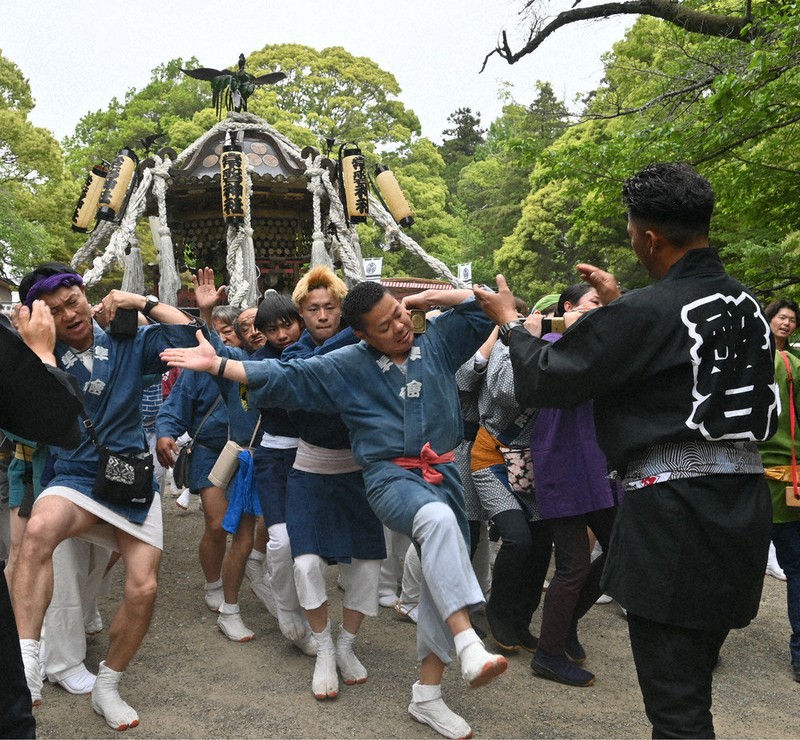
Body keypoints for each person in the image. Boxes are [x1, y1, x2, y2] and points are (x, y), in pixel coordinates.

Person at [474, 162, 779, 738]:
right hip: (739, 507)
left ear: (649, 237)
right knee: (692, 690)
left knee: (677, 710)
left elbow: (550, 378)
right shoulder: (747, 307)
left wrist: (511, 324)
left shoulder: (644, 312)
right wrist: (621, 305)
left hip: (674, 520)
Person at [161, 279, 508, 739]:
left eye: (401, 316)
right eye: (385, 326)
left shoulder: (435, 340)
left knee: (438, 575)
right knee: (341, 545)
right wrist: (221, 363)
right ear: (361, 334)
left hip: (443, 476)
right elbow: (287, 378)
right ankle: (459, 642)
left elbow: (483, 307)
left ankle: (429, 694)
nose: (401, 327)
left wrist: (428, 299)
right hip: (385, 476)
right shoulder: (347, 362)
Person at [12, 262, 202, 731]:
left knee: (143, 586)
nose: (69, 314)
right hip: (75, 476)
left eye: (72, 300)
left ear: (85, 292)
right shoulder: (33, 354)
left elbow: (194, 339)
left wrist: (140, 302)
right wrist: (36, 353)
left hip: (129, 478)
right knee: (38, 530)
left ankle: (108, 684)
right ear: (40, 316)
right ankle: (26, 665)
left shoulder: (126, 340)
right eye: (54, 311)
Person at [280, 266, 385, 701]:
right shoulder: (291, 355)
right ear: (301, 314)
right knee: (305, 563)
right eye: (313, 308)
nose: (323, 315)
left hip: (359, 471)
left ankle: (345, 644)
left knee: (366, 565)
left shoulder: (368, 351)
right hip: (309, 470)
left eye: (331, 307)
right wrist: (361, 331)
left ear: (341, 310)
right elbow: (311, 370)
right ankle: (322, 647)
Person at [527, 284, 618, 687]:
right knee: (573, 564)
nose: (601, 311)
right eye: (594, 303)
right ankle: (548, 654)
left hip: (598, 463)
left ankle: (566, 625)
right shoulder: (549, 344)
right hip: (561, 459)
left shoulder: (603, 346)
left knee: (622, 549)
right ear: (568, 308)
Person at [0, 298, 82, 739]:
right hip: (30, 474)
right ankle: (39, 655)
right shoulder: (21, 349)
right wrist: (38, 359)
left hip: (70, 477)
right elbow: (43, 421)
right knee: (26, 555)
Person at [759, 298, 800, 682]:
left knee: (738, 564)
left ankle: (707, 646)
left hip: (772, 472)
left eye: (791, 320)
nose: (786, 323)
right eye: (780, 317)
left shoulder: (789, 364)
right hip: (778, 473)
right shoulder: (781, 363)